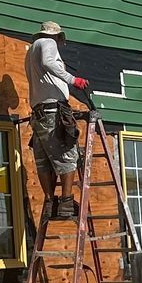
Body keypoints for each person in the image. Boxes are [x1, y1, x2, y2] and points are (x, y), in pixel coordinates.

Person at [26, 21, 90, 220]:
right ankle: (67, 202)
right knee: (67, 154)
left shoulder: (30, 52)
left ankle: (49, 202)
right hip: (53, 110)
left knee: (44, 161)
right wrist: (73, 80)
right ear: (57, 36)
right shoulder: (48, 42)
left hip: (39, 113)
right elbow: (49, 62)